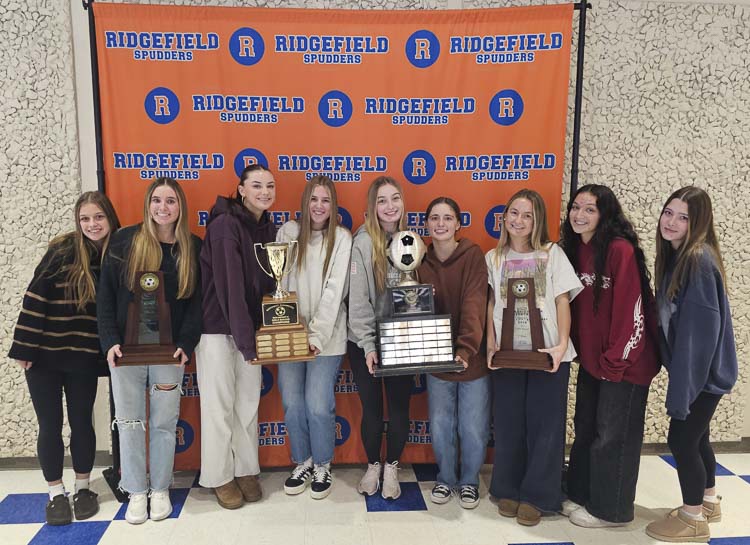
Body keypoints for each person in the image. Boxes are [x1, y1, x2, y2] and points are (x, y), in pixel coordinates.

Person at [9, 192, 120, 526]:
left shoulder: (118, 252)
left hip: (83, 355)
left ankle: (83, 487)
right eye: (85, 219)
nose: (92, 225)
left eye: (98, 217)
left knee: (83, 422)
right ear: (78, 221)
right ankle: (55, 493)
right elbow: (35, 295)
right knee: (50, 425)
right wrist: (25, 347)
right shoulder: (62, 249)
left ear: (110, 218)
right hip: (44, 354)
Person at [97, 177, 201, 524]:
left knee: (163, 424)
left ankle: (159, 489)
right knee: (128, 422)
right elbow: (106, 296)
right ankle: (135, 490)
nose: (163, 207)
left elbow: (197, 304)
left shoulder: (192, 247)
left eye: (171, 201)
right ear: (148, 204)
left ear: (180, 207)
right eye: (157, 200)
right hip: (125, 353)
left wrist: (186, 344)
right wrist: (110, 339)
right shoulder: (125, 241)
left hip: (169, 354)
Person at [560, 184, 660, 527]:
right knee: (586, 429)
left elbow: (632, 312)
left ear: (605, 215)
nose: (580, 215)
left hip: (625, 366)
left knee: (613, 437)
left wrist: (616, 361)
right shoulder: (573, 250)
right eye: (576, 207)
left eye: (590, 209)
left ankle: (611, 510)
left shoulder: (620, 250)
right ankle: (583, 494)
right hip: (592, 362)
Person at [645, 186, 738, 543]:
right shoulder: (678, 256)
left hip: (702, 375)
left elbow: (698, 338)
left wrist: (682, 392)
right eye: (669, 212)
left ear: (697, 223)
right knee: (698, 437)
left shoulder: (697, 260)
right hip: (700, 372)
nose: (671, 222)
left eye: (683, 217)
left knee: (681, 439)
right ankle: (709, 500)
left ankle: (692, 518)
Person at [486, 188, 582, 526]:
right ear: (505, 217)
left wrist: (561, 344)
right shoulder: (493, 258)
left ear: (537, 220)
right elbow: (491, 305)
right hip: (508, 355)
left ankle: (539, 495)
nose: (519, 220)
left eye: (527, 215)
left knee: (545, 427)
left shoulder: (552, 254)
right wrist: (490, 344)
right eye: (514, 213)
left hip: (548, 355)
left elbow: (562, 301)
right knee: (510, 422)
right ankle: (507, 488)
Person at [195, 164, 276, 509]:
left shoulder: (266, 228)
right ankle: (219, 476)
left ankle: (245, 469)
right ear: (241, 190)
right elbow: (230, 289)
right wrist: (246, 343)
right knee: (219, 407)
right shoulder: (225, 225)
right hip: (218, 331)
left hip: (249, 331)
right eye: (256, 185)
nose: (264, 192)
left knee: (247, 404)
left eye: (270, 186)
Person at [275, 175, 352, 500]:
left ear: (333, 206)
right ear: (305, 202)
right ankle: (302, 461)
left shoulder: (343, 238)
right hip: (291, 337)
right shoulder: (289, 233)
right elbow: (281, 282)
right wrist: (290, 329)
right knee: (293, 405)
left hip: (328, 339)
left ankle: (322, 463)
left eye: (326, 200)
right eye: (314, 199)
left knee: (318, 406)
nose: (319, 206)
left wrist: (316, 335)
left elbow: (336, 291)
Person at [417, 197, 489, 509]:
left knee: (472, 426)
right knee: (441, 423)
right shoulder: (418, 259)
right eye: (435, 218)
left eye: (448, 218)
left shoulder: (473, 255)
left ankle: (470, 480)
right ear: (427, 224)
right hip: (435, 359)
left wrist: (466, 348)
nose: (441, 224)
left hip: (470, 358)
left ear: (458, 224)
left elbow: (475, 303)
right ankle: (445, 478)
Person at [348, 176, 412, 500]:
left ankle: (392, 466)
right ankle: (373, 464)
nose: (390, 206)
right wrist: (370, 347)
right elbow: (358, 304)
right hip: (365, 343)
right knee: (372, 410)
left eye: (395, 198)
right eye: (382, 200)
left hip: (401, 340)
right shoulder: (362, 242)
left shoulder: (412, 242)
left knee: (400, 407)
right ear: (373, 207)